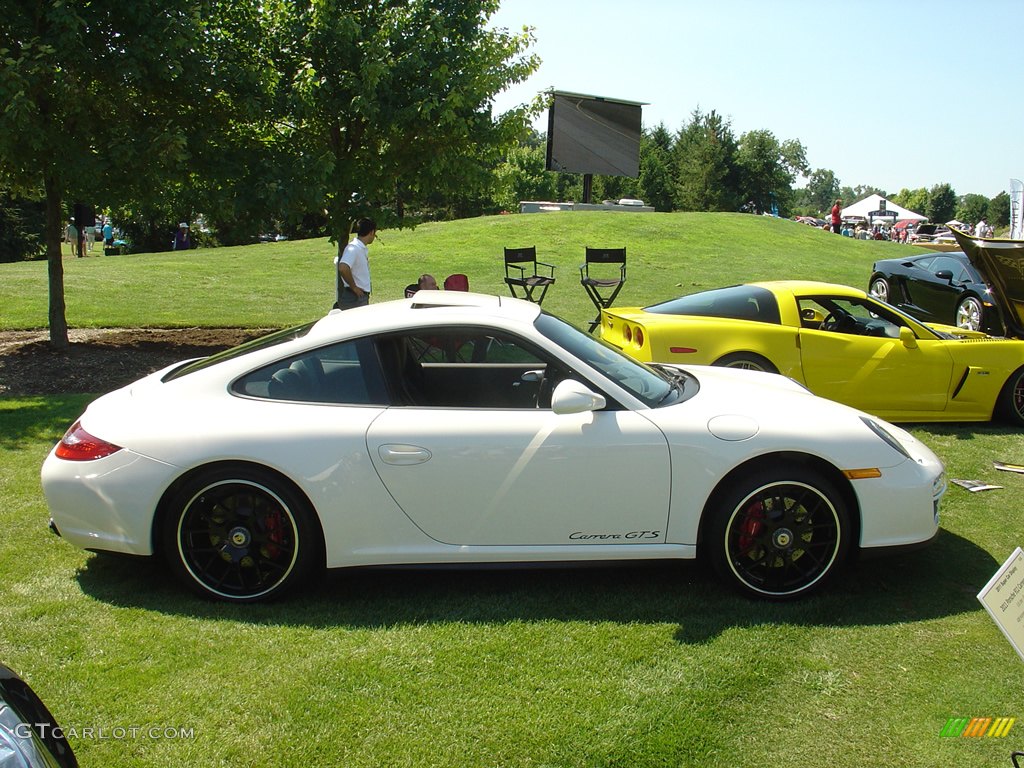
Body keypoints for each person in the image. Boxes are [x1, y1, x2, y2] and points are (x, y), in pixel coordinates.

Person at [335, 217, 376, 310]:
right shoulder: (353, 248)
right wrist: (354, 287)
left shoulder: (359, 247)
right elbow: (343, 267)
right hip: (354, 297)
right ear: (372, 232)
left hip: (358, 296)